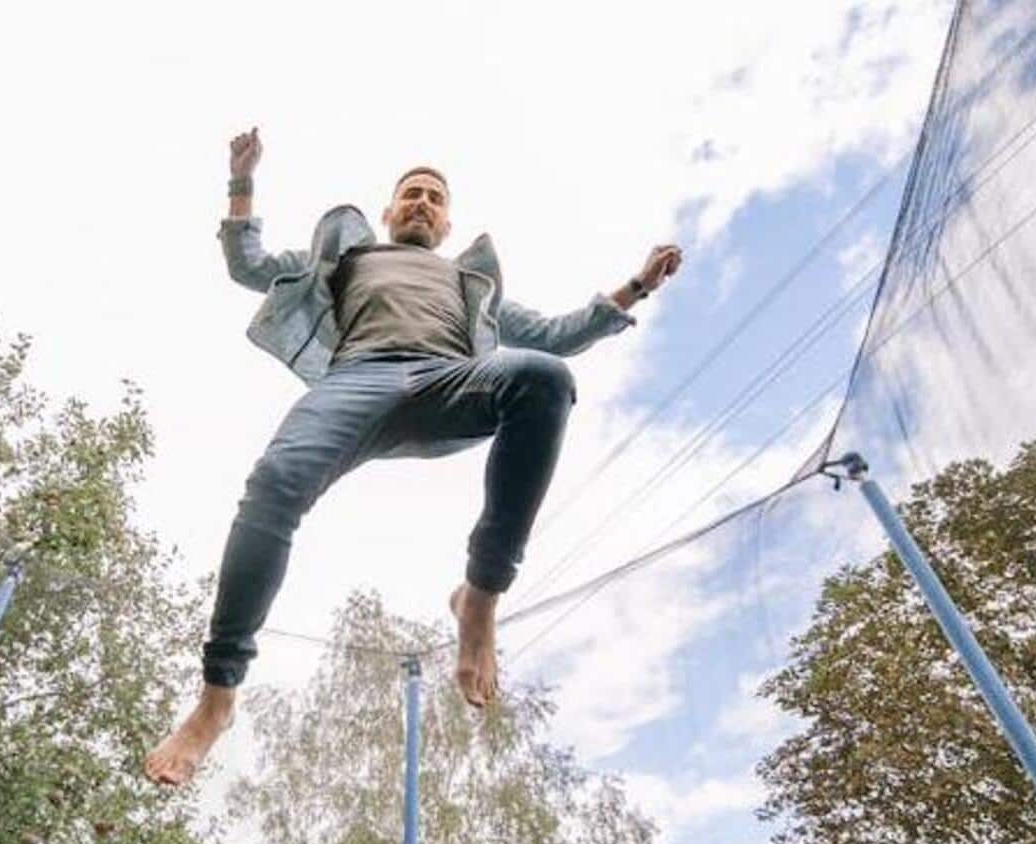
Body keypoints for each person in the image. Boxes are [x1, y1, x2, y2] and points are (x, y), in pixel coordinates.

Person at [144, 127, 682, 787]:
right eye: (411, 195)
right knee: (274, 485)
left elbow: (557, 335)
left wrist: (638, 285)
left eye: (434, 198)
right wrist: (241, 177)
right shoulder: (344, 257)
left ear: (447, 220)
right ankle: (216, 698)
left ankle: (479, 595)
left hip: (448, 383)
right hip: (355, 382)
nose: (423, 203)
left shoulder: (469, 280)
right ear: (390, 211)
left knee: (543, 377)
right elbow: (245, 263)